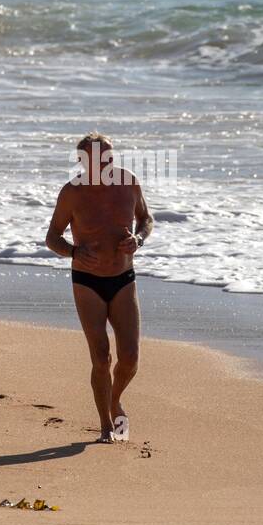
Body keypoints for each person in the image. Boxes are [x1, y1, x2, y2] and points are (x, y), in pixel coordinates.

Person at [45, 133, 153, 443]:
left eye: (109, 156)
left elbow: (146, 218)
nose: (107, 163)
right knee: (102, 357)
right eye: (98, 158)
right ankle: (106, 426)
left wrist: (139, 240)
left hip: (123, 279)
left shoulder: (128, 183)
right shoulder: (72, 193)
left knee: (130, 357)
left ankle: (114, 399)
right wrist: (74, 252)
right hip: (87, 281)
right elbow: (52, 238)